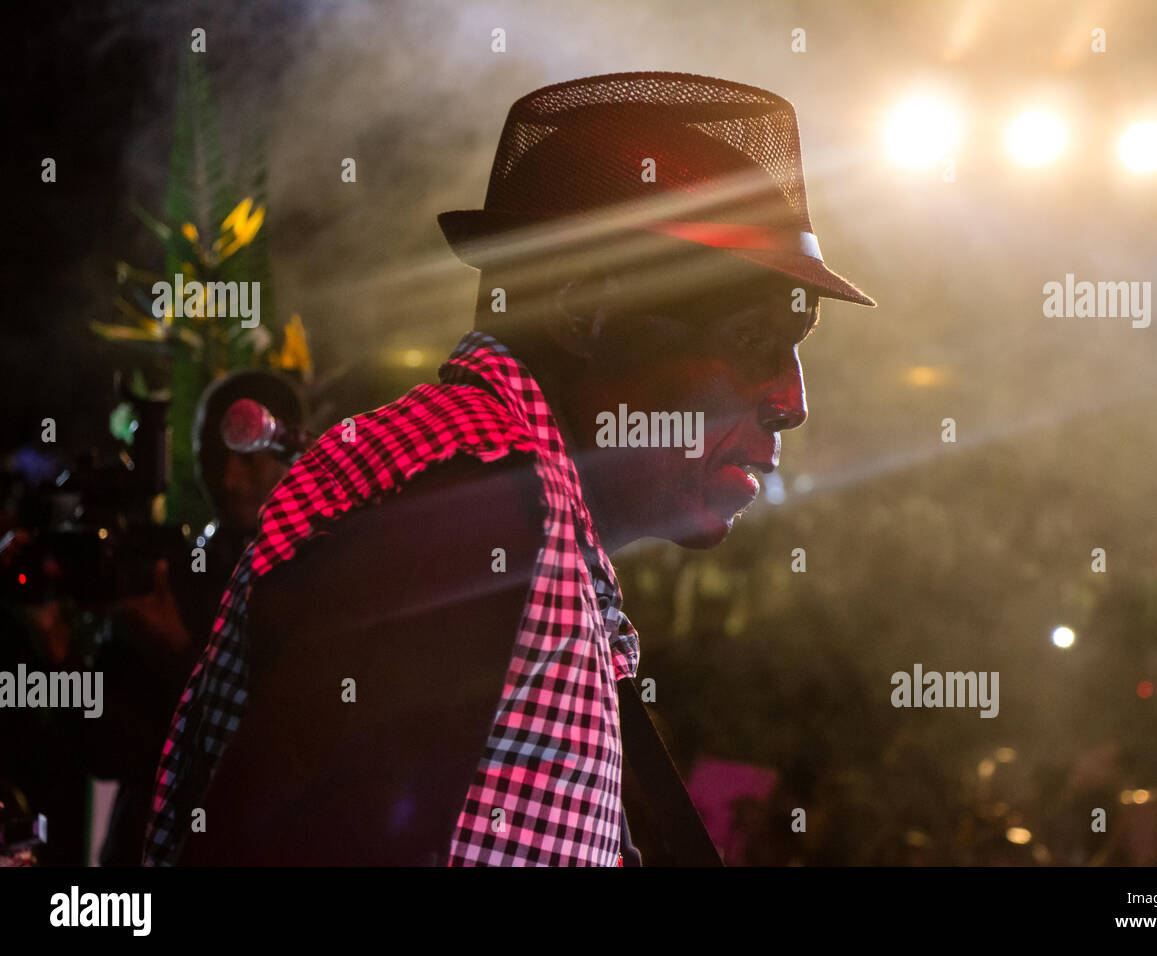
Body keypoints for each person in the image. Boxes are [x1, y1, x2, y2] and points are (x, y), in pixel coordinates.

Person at [143, 71, 876, 866]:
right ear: (582, 312)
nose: (791, 399)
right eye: (749, 339)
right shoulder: (466, 506)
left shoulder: (511, 513)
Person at [92, 370, 305, 865]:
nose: (229, 479)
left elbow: (276, 744)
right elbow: (104, 754)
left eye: (248, 456)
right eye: (213, 455)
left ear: (293, 449)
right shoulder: (169, 574)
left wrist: (178, 651)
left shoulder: (318, 580)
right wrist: (56, 654)